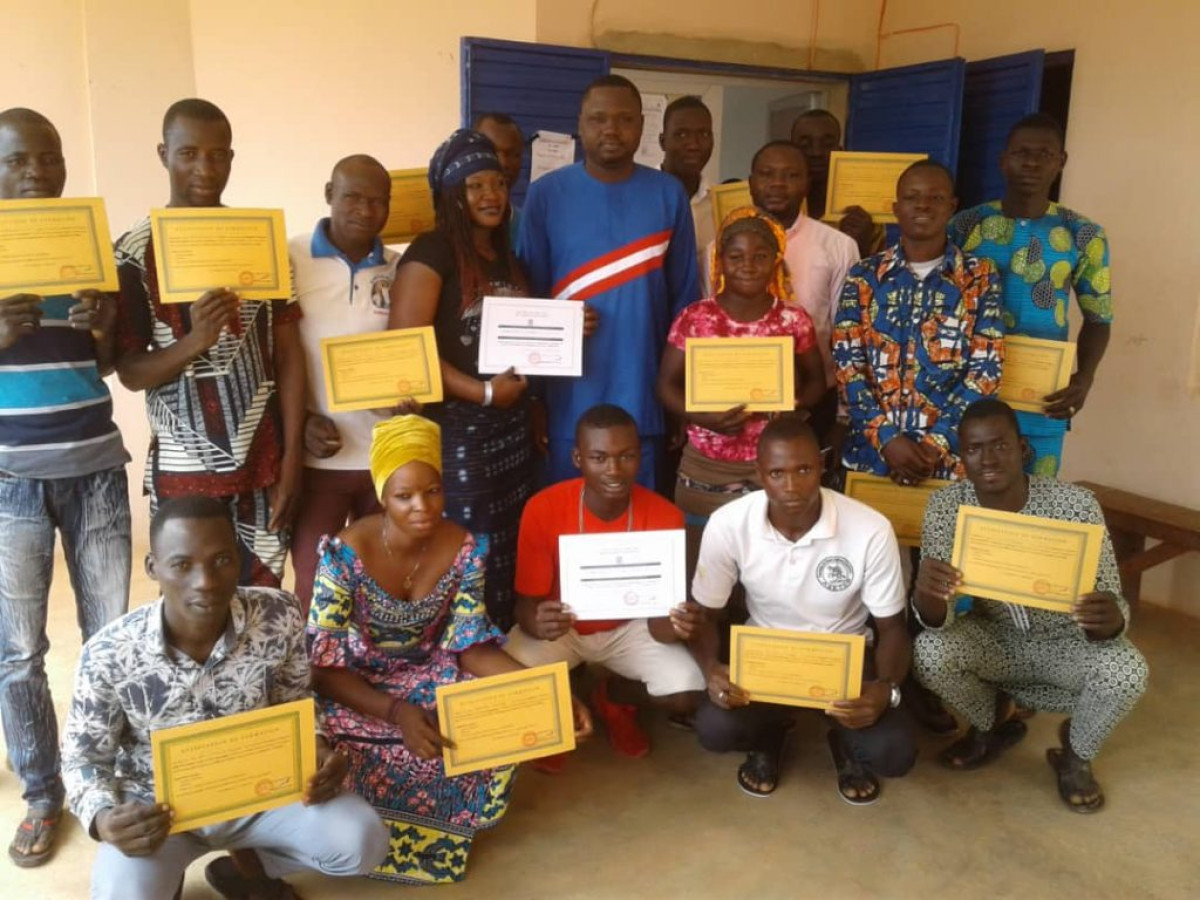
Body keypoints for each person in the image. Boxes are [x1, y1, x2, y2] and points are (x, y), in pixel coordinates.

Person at [307, 414, 592, 884]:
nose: (422, 506)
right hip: (355, 683)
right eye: (404, 496)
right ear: (382, 496)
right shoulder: (344, 556)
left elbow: (469, 648)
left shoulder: (464, 547)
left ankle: (439, 840)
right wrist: (397, 712)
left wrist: (549, 691)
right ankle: (364, 839)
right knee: (347, 739)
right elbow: (323, 668)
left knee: (504, 718)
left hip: (430, 670)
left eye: (433, 490)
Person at [60, 497, 389, 899]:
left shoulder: (278, 614)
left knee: (363, 841)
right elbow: (82, 759)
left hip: (262, 791)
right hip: (160, 812)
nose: (205, 581)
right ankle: (167, 873)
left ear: (239, 559)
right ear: (154, 568)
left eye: (221, 560)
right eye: (182, 564)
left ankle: (250, 865)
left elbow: (295, 700)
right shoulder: (109, 653)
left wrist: (317, 747)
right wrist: (103, 818)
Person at [0, 107, 131, 868]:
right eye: (18, 161)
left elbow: (108, 363)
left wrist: (103, 323)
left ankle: (105, 778)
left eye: (47, 159)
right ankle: (45, 794)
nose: (36, 173)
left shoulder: (90, 248)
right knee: (18, 653)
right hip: (11, 477)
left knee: (108, 641)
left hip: (97, 471)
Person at [912, 399, 1148, 813]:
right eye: (974, 448)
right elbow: (937, 621)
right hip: (995, 637)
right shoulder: (946, 508)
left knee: (1127, 672)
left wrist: (1110, 620)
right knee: (930, 653)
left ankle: (1075, 754)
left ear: (1022, 449)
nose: (987, 459)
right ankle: (989, 725)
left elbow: (1111, 599)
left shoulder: (1075, 506)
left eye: (999, 445)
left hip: (1067, 642)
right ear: (961, 455)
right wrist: (926, 594)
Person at [114, 98, 306, 587]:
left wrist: (291, 462)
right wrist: (196, 341)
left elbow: (288, 356)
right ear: (163, 154)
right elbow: (132, 372)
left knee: (262, 603)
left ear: (232, 159)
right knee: (193, 608)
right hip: (182, 474)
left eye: (218, 155)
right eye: (189, 153)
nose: (205, 168)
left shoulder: (261, 242)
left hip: (263, 468)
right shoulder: (135, 251)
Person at [689, 416, 915, 803]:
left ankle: (845, 743)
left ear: (822, 466)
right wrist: (712, 669)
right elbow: (706, 615)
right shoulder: (728, 523)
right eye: (777, 472)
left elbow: (892, 628)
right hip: (765, 659)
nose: (791, 486)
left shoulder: (869, 528)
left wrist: (885, 690)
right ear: (759, 474)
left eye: (804, 469)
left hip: (844, 658)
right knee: (714, 728)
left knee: (894, 754)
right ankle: (770, 736)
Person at [518, 74, 701, 491]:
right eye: (598, 119)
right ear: (580, 125)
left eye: (624, 119)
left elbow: (686, 305)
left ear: (642, 127)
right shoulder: (546, 195)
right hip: (566, 400)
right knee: (568, 522)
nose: (611, 130)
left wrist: (680, 397)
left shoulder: (668, 194)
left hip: (645, 396)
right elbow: (528, 301)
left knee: (639, 530)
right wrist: (534, 401)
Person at [505, 404, 705, 764]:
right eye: (599, 457)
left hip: (631, 628)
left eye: (626, 456)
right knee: (507, 674)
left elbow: (661, 627)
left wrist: (677, 626)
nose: (614, 470)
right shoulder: (543, 508)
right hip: (563, 630)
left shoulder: (666, 516)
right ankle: (553, 721)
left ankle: (612, 695)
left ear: (640, 457)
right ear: (577, 458)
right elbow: (525, 605)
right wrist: (538, 621)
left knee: (686, 690)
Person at [390, 130, 534, 628]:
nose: (491, 195)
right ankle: (456, 660)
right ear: (452, 194)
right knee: (465, 550)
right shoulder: (432, 251)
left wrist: (566, 328)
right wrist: (485, 392)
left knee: (505, 546)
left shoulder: (505, 256)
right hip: (458, 431)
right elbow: (408, 346)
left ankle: (498, 651)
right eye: (476, 186)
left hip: (509, 430)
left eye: (497, 183)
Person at [657, 207, 825, 564]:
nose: (748, 265)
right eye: (736, 257)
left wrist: (790, 408)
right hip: (707, 462)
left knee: (771, 562)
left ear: (775, 263)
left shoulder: (792, 318)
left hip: (776, 466)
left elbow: (817, 383)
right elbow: (666, 386)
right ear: (720, 262)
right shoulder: (696, 317)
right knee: (700, 561)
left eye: (759, 257)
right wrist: (703, 417)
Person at [948, 114, 1112, 476]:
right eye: (1022, 152)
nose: (1032, 162)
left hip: (1041, 401)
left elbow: (1099, 318)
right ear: (1003, 159)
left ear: (1061, 161)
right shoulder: (964, 225)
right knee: (965, 502)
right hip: (968, 393)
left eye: (1044, 154)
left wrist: (1084, 378)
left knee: (1034, 507)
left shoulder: (1083, 234)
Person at [834, 160, 1005, 483]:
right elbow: (847, 366)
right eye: (912, 197)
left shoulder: (979, 277)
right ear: (896, 208)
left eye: (936, 198)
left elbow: (986, 372)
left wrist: (933, 446)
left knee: (943, 536)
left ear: (952, 206)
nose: (923, 205)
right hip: (872, 457)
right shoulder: (864, 277)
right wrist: (888, 440)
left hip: (949, 462)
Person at [289, 154, 399, 609]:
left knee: (385, 580)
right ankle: (311, 676)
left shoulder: (400, 268)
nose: (365, 211)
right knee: (315, 586)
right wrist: (299, 425)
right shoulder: (289, 257)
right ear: (329, 194)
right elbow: (270, 352)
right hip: (320, 462)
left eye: (378, 202)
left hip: (384, 456)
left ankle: (374, 674)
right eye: (353, 197)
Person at [746, 140, 858, 443]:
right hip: (739, 403)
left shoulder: (838, 246)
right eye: (767, 174)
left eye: (791, 175)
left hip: (814, 400)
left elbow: (848, 337)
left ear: (807, 183)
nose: (777, 184)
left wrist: (844, 417)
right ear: (751, 183)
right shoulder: (719, 251)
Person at [790, 109, 883, 258]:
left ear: (841, 151)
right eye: (805, 144)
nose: (816, 152)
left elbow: (878, 277)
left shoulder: (864, 215)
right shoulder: (773, 207)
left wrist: (860, 246)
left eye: (827, 144)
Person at [659, 95, 716, 266]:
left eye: (704, 134)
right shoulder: (637, 197)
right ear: (662, 142)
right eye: (682, 134)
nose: (693, 145)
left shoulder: (720, 206)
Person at [472, 112, 525, 241]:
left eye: (513, 154)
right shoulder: (444, 227)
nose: (503, 163)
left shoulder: (530, 229)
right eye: (492, 152)